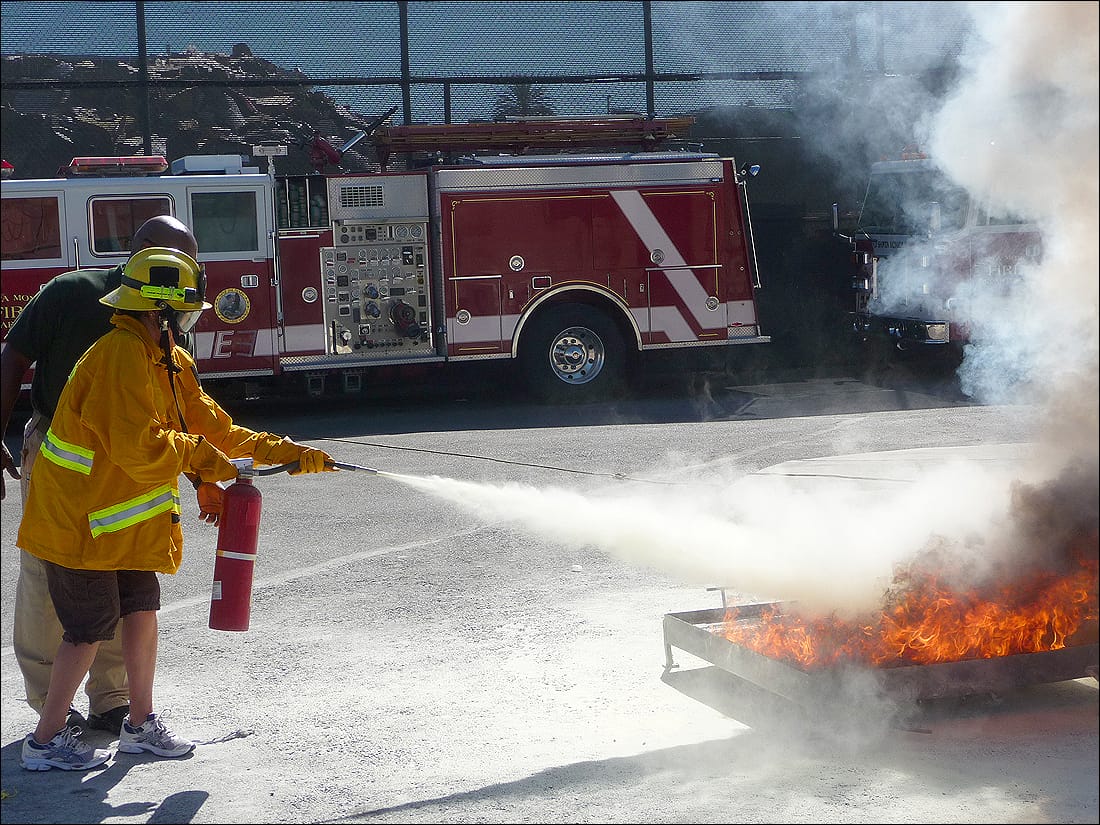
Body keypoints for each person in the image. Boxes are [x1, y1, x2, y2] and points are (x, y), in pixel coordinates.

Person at [16, 245, 336, 771]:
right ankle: (44, 742)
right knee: (89, 627)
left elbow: (212, 427)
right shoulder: (120, 355)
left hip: (119, 522)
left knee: (141, 609)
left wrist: (286, 452)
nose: (188, 321)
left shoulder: (163, 356)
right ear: (156, 309)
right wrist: (209, 464)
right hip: (79, 523)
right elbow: (140, 449)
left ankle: (140, 725)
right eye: (184, 310)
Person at [0, 215, 219, 738]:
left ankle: (113, 701)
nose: (188, 273)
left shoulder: (165, 314)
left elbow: (178, 410)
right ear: (143, 252)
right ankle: (52, 708)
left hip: (131, 458)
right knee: (49, 576)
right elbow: (12, 357)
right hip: (61, 455)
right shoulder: (72, 293)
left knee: (128, 575)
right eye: (178, 259)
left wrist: (200, 474)